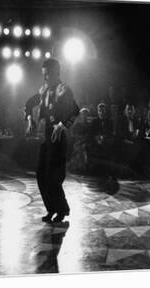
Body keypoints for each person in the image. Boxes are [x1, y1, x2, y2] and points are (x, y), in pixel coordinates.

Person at [25, 58, 79, 223]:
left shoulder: (65, 90)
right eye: (44, 75)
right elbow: (28, 104)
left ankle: (61, 210)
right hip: (45, 136)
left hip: (58, 136)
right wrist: (29, 120)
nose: (45, 77)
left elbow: (75, 111)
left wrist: (61, 125)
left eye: (48, 74)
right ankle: (51, 208)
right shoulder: (42, 90)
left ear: (56, 72)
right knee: (41, 174)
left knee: (54, 176)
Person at [88, 102, 114, 174]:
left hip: (106, 141)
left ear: (105, 112)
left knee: (109, 146)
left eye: (103, 111)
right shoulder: (94, 121)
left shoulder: (110, 122)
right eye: (100, 111)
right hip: (96, 142)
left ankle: (106, 169)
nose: (101, 112)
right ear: (97, 112)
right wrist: (97, 138)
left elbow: (111, 133)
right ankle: (96, 168)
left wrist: (104, 138)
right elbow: (91, 133)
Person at [69, 107, 91, 173]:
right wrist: (78, 137)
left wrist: (85, 138)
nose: (84, 116)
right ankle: (77, 167)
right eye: (83, 114)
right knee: (79, 147)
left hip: (86, 141)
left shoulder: (89, 124)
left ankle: (83, 167)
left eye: (86, 114)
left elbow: (90, 133)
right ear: (81, 115)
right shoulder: (77, 124)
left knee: (84, 147)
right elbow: (72, 133)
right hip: (78, 141)